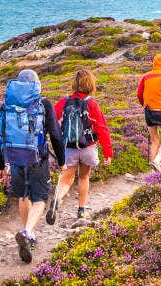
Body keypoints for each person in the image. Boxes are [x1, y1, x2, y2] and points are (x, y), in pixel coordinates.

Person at [0, 69, 65, 263]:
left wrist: (0, 165)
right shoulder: (43, 103)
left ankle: (29, 235)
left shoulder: (7, 105)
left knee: (23, 196)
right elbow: (56, 135)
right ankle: (27, 232)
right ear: (36, 84)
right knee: (41, 198)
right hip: (38, 159)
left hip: (14, 159)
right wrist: (62, 160)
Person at [46, 69, 113, 223]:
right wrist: (107, 152)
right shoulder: (91, 104)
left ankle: (57, 200)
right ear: (91, 84)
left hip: (68, 147)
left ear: (75, 84)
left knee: (66, 179)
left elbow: (51, 122)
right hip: (88, 147)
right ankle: (81, 210)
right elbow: (102, 128)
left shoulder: (64, 102)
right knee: (84, 177)